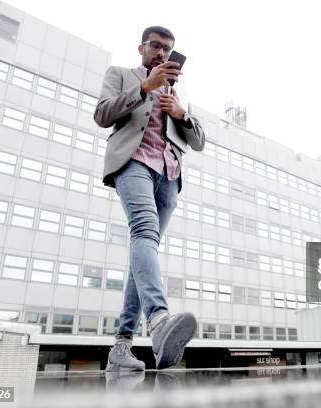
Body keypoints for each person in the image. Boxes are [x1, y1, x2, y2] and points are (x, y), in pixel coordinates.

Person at [94, 25, 205, 370]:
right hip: (134, 163)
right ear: (141, 48)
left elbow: (199, 141)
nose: (161, 53)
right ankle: (159, 321)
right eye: (155, 46)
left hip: (169, 174)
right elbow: (102, 115)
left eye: (167, 49)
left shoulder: (177, 92)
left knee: (143, 252)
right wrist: (145, 87)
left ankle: (121, 347)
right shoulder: (121, 75)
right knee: (143, 232)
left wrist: (180, 114)